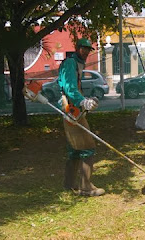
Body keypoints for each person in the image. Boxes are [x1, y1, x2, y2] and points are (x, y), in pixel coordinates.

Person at [58, 38, 105, 197]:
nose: (86, 52)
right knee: (88, 146)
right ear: (77, 48)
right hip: (72, 110)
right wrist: (82, 102)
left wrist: (84, 101)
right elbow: (70, 88)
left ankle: (69, 183)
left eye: (88, 49)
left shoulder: (76, 64)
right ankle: (86, 187)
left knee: (75, 148)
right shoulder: (71, 63)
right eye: (83, 49)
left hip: (72, 110)